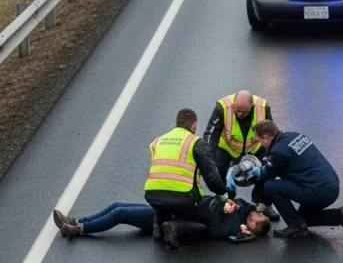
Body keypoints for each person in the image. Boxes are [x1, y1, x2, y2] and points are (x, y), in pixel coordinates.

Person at [243, 120, 343, 238]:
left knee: (271, 187)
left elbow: (267, 175)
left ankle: (296, 228)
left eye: (259, 140)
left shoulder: (278, 151)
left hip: (316, 191)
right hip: (332, 187)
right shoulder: (295, 136)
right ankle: (338, 216)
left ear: (266, 138)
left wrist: (257, 171)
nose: (260, 144)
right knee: (303, 218)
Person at [144, 108, 231, 243]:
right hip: (184, 198)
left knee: (166, 201)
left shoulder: (157, 141)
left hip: (152, 196)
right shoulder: (196, 142)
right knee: (211, 222)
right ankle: (175, 227)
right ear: (194, 126)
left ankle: (159, 226)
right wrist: (223, 195)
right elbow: (212, 177)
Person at [51, 195, 271, 246]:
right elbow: (235, 198)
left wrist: (220, 210)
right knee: (117, 205)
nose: (258, 213)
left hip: (172, 216)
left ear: (252, 226)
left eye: (259, 217)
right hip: (180, 207)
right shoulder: (242, 209)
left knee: (120, 215)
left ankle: (78, 229)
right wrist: (227, 202)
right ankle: (78, 221)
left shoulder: (233, 225)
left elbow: (213, 231)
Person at [202, 90, 279, 221]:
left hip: (255, 147)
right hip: (227, 147)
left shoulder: (263, 107)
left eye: (244, 111)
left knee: (266, 171)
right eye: (237, 110)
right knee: (220, 172)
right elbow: (211, 134)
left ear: (252, 107)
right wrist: (209, 158)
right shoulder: (222, 107)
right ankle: (227, 202)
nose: (239, 114)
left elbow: (271, 132)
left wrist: (270, 155)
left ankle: (263, 204)